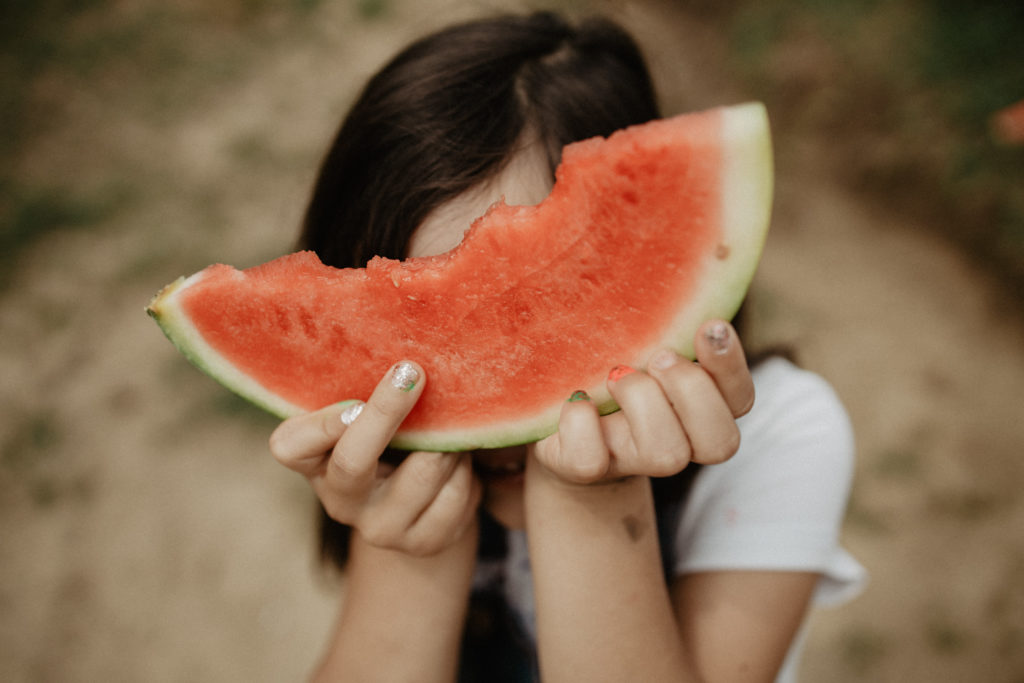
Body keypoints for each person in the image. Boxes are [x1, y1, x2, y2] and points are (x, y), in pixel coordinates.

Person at [267, 11, 864, 683]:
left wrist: (594, 498)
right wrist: (409, 545)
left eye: (527, 312)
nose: (476, 379)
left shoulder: (785, 433)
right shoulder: (385, 453)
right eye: (413, 338)